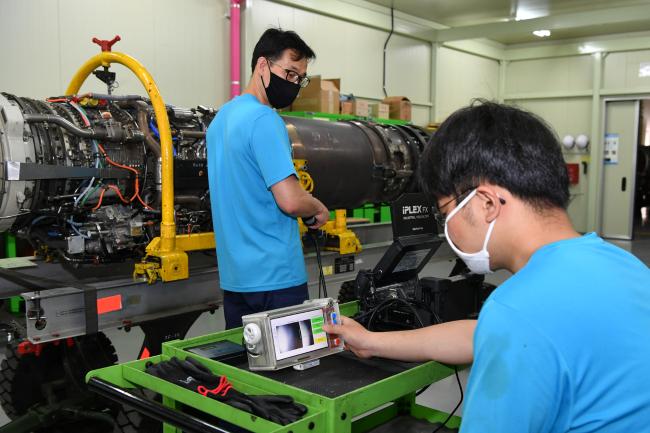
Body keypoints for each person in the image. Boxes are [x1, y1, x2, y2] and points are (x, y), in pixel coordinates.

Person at [324, 101, 650, 432]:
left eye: (444, 210)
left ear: (486, 204)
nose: (446, 224)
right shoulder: (623, 265)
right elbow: (483, 335)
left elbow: (512, 328)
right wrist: (371, 341)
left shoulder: (518, 312)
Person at [207, 29, 329, 329]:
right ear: (262, 66)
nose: (293, 85)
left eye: (299, 79)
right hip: (276, 281)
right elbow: (289, 200)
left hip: (236, 281)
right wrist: (316, 207)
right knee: (288, 374)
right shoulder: (265, 120)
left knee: (247, 369)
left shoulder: (219, 121)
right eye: (288, 73)